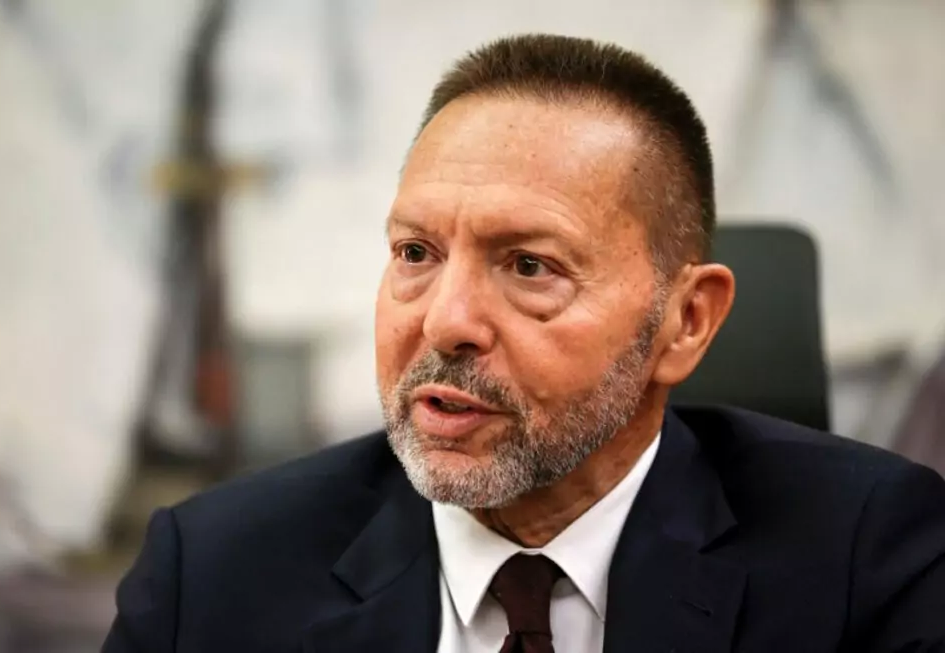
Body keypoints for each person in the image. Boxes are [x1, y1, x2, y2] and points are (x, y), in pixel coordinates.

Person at [102, 34, 945, 652]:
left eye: (530, 266)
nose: (444, 322)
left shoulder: (868, 560)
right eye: (416, 253)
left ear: (685, 320)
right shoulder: (211, 576)